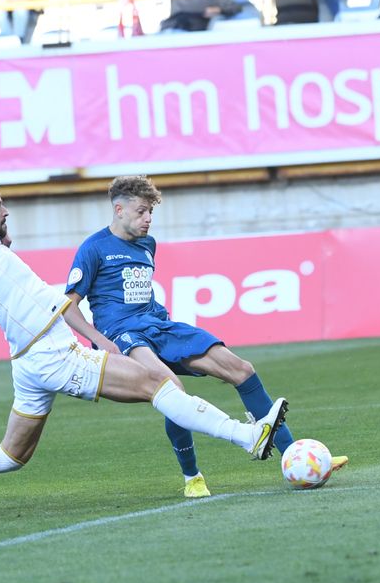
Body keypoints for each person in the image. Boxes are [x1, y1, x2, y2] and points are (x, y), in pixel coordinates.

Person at [0, 174, 290, 521]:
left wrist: (0, 244)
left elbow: (11, 278)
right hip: (52, 353)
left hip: (28, 361)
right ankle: (247, 436)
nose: (5, 211)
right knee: (158, 383)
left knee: (11, 455)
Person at [66, 176, 346, 496]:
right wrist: (102, 342)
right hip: (121, 334)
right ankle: (193, 477)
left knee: (241, 369)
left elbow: (138, 294)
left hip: (158, 326)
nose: (148, 219)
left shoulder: (147, 244)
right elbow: (68, 307)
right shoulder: (93, 248)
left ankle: (295, 457)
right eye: (141, 211)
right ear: (119, 210)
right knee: (171, 390)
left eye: (151, 212)